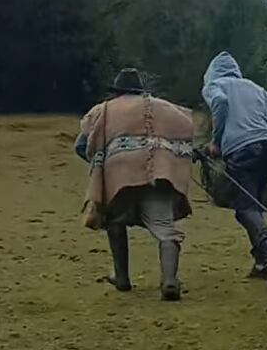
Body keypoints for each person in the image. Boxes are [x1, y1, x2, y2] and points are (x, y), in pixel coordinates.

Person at [74, 68, 194, 301]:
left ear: (118, 91)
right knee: (165, 231)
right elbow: (186, 127)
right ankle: (169, 280)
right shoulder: (162, 107)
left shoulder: (103, 110)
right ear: (140, 90)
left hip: (120, 177)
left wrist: (102, 162)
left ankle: (122, 278)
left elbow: (81, 146)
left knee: (114, 222)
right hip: (158, 174)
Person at [201, 51, 267, 285]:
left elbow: (221, 103)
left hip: (242, 151)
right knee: (252, 204)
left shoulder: (214, 86)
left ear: (210, 74)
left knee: (244, 208)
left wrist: (216, 141)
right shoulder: (253, 87)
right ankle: (263, 263)